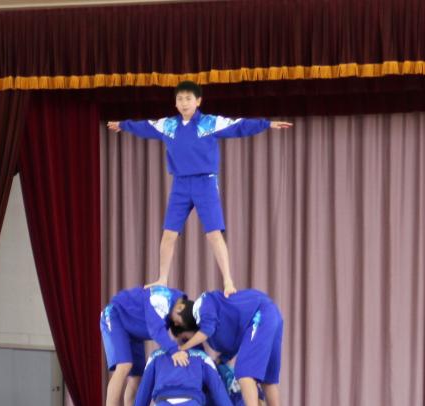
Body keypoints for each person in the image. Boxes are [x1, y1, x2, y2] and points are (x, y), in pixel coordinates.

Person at [107, 81, 292, 292]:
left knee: (213, 233)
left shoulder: (209, 123)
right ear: (175, 103)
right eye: (180, 99)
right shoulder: (168, 125)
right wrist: (122, 124)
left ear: (198, 101)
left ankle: (228, 281)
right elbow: (145, 127)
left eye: (188, 98)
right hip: (180, 184)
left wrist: (266, 124)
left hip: (205, 183)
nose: (184, 103)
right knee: (169, 234)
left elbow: (239, 125)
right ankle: (162, 278)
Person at [171, 289, 285, 406]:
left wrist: (181, 349)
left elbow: (207, 329)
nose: (191, 343)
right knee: (268, 380)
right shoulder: (212, 336)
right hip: (270, 316)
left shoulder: (202, 304)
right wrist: (222, 358)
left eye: (186, 337)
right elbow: (237, 342)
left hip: (260, 312)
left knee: (244, 372)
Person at [100, 284, 185, 406]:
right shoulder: (161, 297)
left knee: (137, 376)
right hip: (115, 316)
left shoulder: (178, 308)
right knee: (124, 365)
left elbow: (184, 335)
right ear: (180, 308)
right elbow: (156, 329)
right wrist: (174, 351)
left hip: (133, 330)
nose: (176, 324)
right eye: (178, 321)